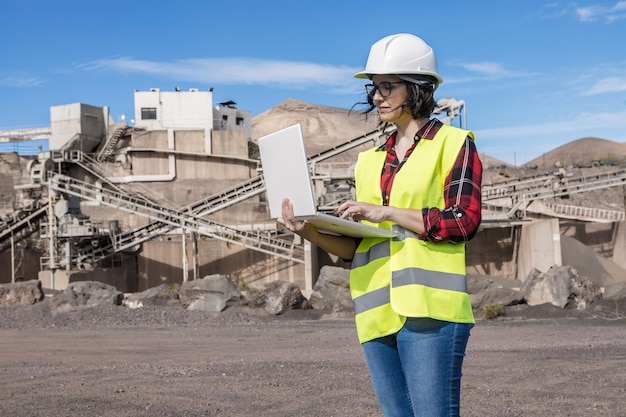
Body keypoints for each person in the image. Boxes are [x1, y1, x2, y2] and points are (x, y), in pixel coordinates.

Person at [279, 33, 482, 417]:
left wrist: (385, 212)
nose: (377, 96)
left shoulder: (454, 144)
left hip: (430, 311)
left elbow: (464, 220)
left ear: (419, 87)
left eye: (388, 86)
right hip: (375, 311)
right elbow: (359, 249)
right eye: (375, 87)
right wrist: (311, 232)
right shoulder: (368, 161)